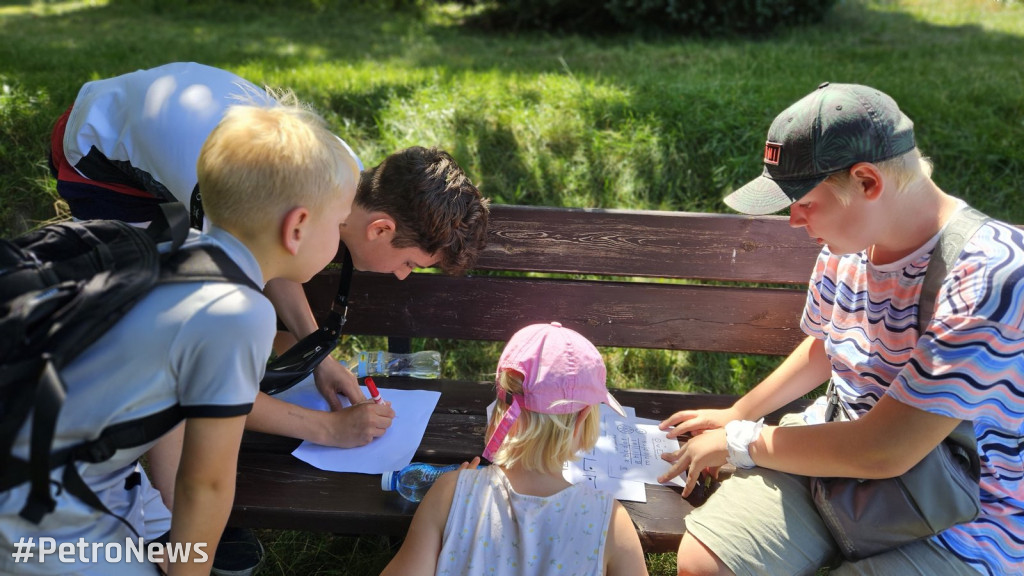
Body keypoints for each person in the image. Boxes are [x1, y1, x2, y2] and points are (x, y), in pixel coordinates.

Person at [657, 82, 1023, 576]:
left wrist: (742, 441)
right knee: (707, 566)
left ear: (867, 182)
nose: (792, 220)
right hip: (836, 461)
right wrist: (738, 413)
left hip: (961, 517)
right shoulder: (849, 242)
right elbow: (827, 345)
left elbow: (885, 449)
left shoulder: (994, 275)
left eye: (803, 201)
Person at [1, 92, 360, 574]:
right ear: (297, 227)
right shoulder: (239, 312)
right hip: (39, 516)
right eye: (338, 225)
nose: (338, 239)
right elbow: (205, 483)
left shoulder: (173, 247)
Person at [381, 322, 649, 576]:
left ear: (500, 412)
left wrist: (458, 487)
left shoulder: (448, 494)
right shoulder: (611, 522)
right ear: (582, 422)